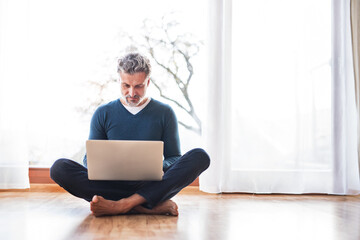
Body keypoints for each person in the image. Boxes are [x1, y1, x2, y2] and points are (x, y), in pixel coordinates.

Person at [50, 52, 210, 217]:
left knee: (200, 156)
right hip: (111, 185)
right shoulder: (103, 112)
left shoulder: (165, 112)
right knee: (59, 168)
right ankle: (142, 206)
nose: (132, 93)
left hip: (151, 184)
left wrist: (156, 167)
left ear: (148, 82)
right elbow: (88, 159)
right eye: (126, 85)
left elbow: (174, 157)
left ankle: (121, 205)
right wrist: (100, 166)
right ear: (119, 81)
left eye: (139, 86)